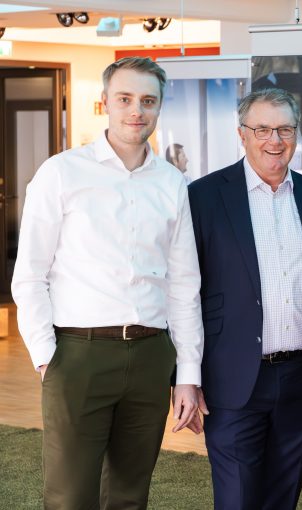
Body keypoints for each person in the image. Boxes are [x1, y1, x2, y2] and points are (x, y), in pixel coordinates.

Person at [11, 56, 203, 509]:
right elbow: (30, 274)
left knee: (129, 496)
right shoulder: (61, 172)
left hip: (153, 355)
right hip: (78, 355)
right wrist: (46, 357)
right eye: (125, 99)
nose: (136, 110)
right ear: (105, 104)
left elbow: (183, 285)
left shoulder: (172, 183)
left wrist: (188, 373)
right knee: (70, 497)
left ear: (158, 108)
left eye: (147, 100)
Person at [188, 87, 302, 510]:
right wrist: (185, 376)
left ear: (297, 134)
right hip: (233, 380)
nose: (274, 140)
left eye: (284, 129)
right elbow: (184, 293)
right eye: (262, 129)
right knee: (237, 499)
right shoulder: (203, 197)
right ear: (242, 134)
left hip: (299, 380)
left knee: (283, 497)